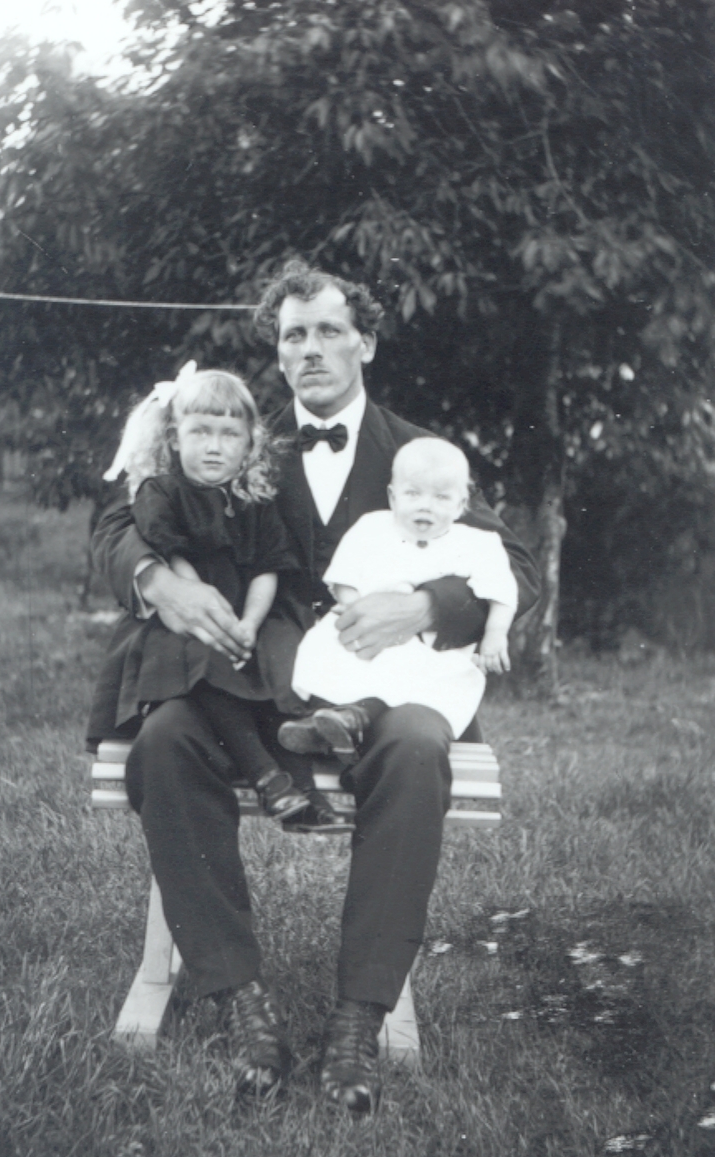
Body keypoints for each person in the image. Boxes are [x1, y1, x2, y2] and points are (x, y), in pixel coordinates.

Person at [91, 260, 540, 1114]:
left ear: (365, 342)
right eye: (294, 335)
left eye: (330, 331)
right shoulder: (239, 435)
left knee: (417, 747)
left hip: (383, 685)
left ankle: (358, 1019)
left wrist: (425, 605)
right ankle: (242, 1002)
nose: (311, 349)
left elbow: (512, 563)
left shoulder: (418, 455)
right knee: (165, 740)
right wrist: (159, 580)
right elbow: (120, 521)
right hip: (249, 675)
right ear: (278, 350)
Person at [87, 364, 318, 823]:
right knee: (203, 668)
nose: (214, 446)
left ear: (250, 443)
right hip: (186, 623)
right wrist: (202, 608)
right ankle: (266, 776)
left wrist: (249, 623)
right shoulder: (162, 492)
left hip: (245, 618)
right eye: (200, 432)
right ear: (175, 439)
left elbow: (268, 568)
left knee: (280, 663)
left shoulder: (256, 500)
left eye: (230, 434)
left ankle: (305, 788)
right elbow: (173, 559)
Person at [279, 437, 517, 764]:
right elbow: (345, 576)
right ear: (393, 496)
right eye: (413, 494)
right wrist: (356, 609)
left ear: (461, 503)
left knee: (424, 679)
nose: (425, 506)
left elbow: (501, 591)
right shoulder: (372, 528)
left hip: (427, 646)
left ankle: (349, 721)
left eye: (441, 497)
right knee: (327, 650)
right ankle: (324, 717)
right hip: (367, 630)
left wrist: (495, 634)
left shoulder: (477, 543)